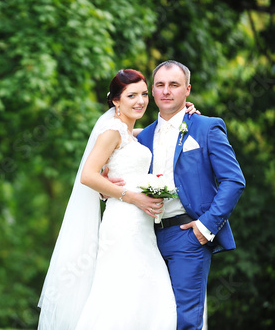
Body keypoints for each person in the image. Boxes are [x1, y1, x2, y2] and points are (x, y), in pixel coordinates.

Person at [37, 69, 198, 330]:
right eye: (131, 95)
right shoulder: (112, 131)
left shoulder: (130, 133)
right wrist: (133, 197)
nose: (140, 101)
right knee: (123, 291)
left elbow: (161, 131)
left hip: (141, 225)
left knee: (143, 291)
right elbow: (88, 175)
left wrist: (184, 113)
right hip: (124, 223)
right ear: (116, 101)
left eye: (144, 94)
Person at [132, 60, 245, 330]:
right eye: (160, 85)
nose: (166, 91)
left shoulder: (207, 128)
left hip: (187, 235)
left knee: (184, 321)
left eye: (174, 85)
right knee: (152, 318)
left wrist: (205, 227)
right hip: (145, 238)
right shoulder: (142, 137)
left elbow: (234, 180)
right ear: (152, 91)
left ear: (187, 90)